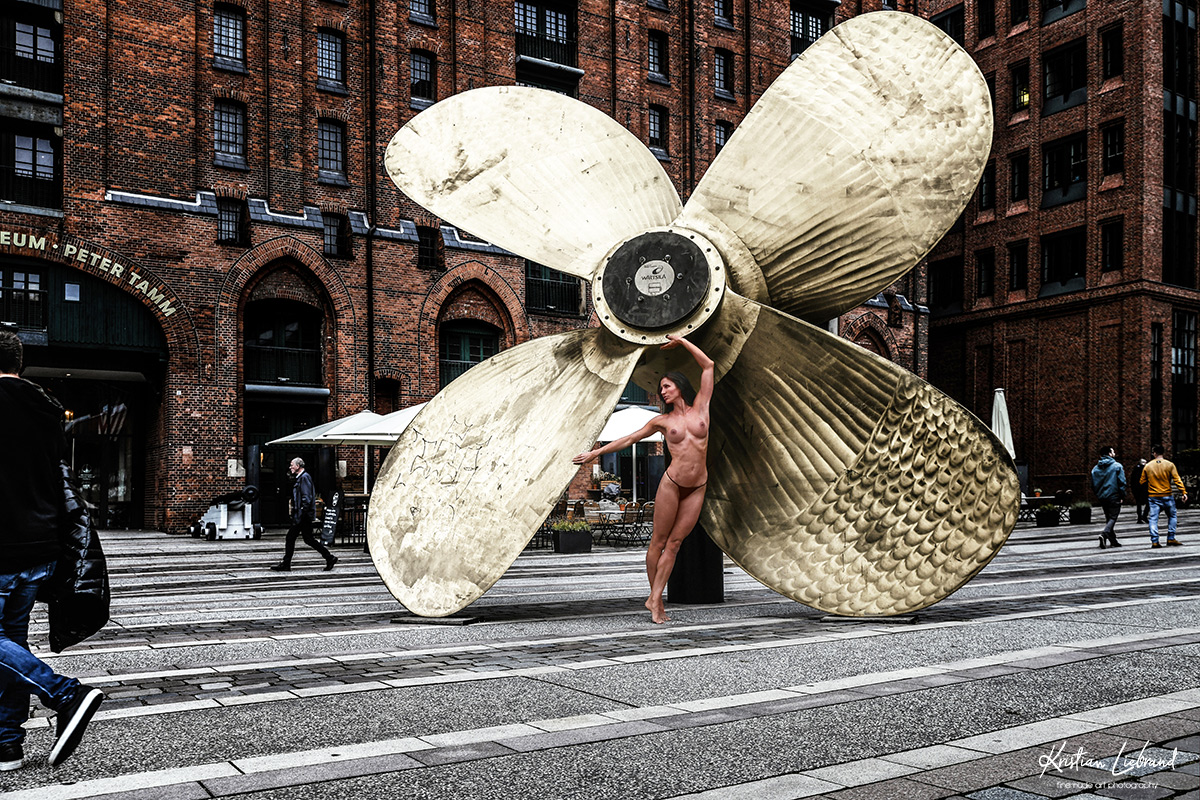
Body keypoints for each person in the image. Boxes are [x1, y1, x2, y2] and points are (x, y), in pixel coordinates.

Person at [0, 328, 105, 771]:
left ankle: (66, 694)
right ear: (19, 363)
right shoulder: (48, 409)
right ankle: (6, 743)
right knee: (10, 644)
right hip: (39, 548)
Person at [573, 334, 714, 624]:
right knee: (658, 542)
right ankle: (656, 600)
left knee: (675, 543)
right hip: (672, 484)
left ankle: (654, 598)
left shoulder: (702, 407)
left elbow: (708, 365)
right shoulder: (662, 421)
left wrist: (682, 342)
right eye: (661, 388)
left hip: (698, 486)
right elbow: (629, 439)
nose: (662, 392)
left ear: (679, 386)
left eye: (666, 386)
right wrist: (595, 452)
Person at [270, 458, 338, 571]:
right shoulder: (301, 478)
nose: (290, 467)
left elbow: (306, 497)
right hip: (303, 514)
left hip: (302, 515)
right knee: (308, 539)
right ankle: (329, 557)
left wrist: (301, 513)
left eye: (292, 465)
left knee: (291, 538)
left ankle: (286, 564)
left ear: (298, 466)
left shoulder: (304, 478)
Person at [1141, 444, 1187, 548]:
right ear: (1163, 452)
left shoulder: (1148, 466)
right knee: (1172, 516)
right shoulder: (1170, 465)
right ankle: (1171, 538)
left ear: (1154, 453)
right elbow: (1177, 479)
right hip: (1167, 495)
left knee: (1153, 518)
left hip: (1153, 496)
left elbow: (1142, 481)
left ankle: (1155, 541)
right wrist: (1183, 492)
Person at [1090, 446, 1126, 549]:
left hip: (1102, 497)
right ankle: (1104, 534)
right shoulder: (1117, 466)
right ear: (1110, 454)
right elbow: (1122, 482)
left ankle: (1113, 541)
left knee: (1108, 518)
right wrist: (1122, 495)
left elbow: (1093, 484)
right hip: (1114, 495)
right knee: (1113, 517)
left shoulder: (1095, 469)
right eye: (1113, 452)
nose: (1114, 453)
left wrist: (1098, 494)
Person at [1130, 458, 1150, 523]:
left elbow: (1132, 480)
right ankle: (1144, 516)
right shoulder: (1145, 470)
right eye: (1144, 462)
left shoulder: (1136, 469)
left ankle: (1140, 517)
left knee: (1139, 504)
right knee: (1148, 503)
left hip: (1138, 489)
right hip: (1144, 489)